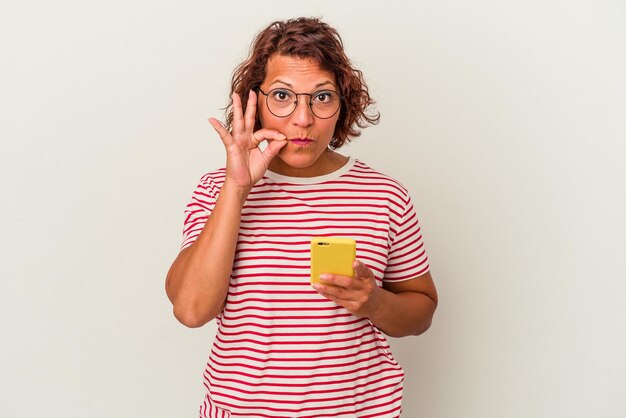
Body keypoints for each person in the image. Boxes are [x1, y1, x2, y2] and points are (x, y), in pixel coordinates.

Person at [166, 17, 438, 418]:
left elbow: (422, 310)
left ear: (343, 103)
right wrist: (237, 189)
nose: (303, 119)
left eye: (322, 97)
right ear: (254, 100)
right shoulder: (216, 191)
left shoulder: (384, 196)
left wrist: (374, 302)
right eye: (283, 95)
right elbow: (190, 310)